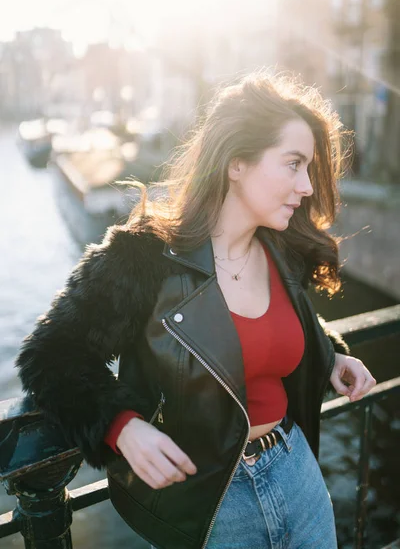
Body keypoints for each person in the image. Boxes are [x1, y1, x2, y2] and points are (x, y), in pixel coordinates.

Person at [16, 71, 376, 549]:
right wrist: (120, 427)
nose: (307, 187)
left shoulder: (283, 251)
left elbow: (271, 329)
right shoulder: (142, 255)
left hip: (299, 476)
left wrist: (330, 354)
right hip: (212, 504)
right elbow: (51, 355)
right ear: (236, 163)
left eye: (307, 168)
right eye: (293, 164)